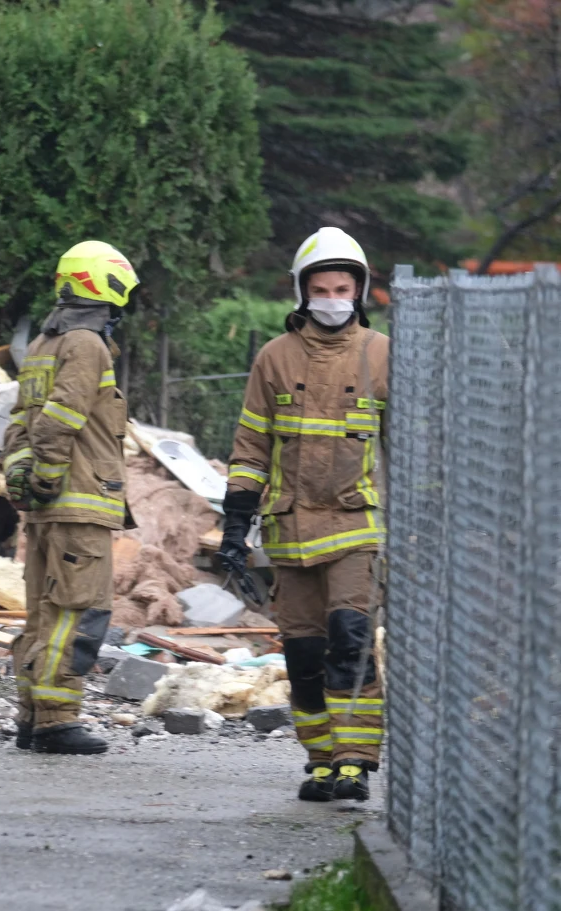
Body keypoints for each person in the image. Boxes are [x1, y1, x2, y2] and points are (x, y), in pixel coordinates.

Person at [218, 227, 388, 802]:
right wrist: (235, 528)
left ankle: (355, 759)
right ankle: (320, 757)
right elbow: (250, 449)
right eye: (322, 288)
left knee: (351, 638)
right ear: (301, 292)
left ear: (360, 290)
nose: (334, 298)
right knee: (305, 653)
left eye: (344, 287)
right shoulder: (274, 358)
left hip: (356, 527)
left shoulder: (381, 355)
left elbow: (410, 447)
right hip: (289, 534)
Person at [2, 241, 137, 755]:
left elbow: (19, 421)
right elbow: (62, 416)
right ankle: (57, 719)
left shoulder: (42, 344)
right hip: (79, 500)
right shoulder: (87, 344)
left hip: (46, 509)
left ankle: (31, 715)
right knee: (79, 610)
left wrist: (22, 477)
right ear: (105, 284)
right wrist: (49, 475)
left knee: (42, 612)